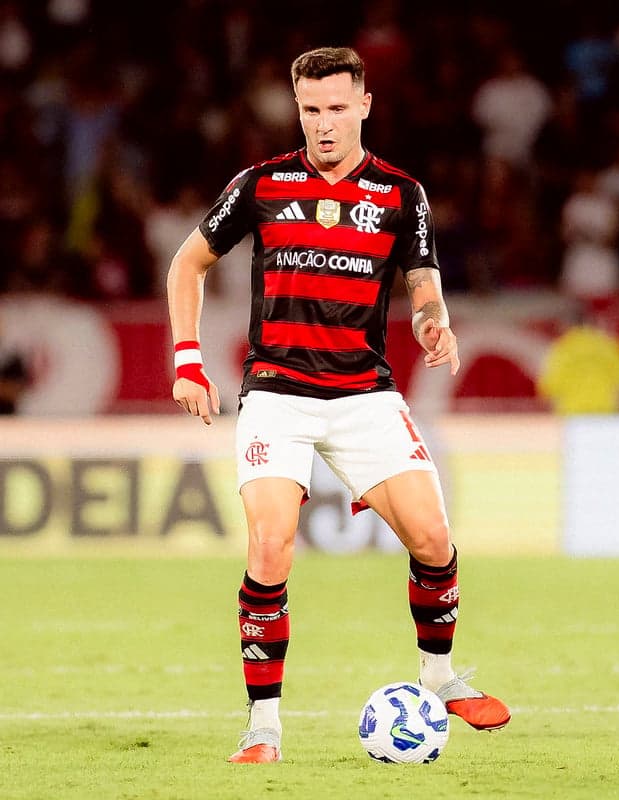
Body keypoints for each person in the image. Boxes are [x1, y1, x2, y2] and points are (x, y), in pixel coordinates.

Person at [167, 46, 510, 764]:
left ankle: (440, 679)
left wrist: (431, 320)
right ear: (299, 108)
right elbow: (187, 263)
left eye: (336, 108)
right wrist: (188, 362)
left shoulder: (399, 193)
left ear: (364, 105)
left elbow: (423, 282)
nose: (324, 124)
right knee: (269, 547)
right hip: (277, 394)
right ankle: (264, 728)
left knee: (433, 541)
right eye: (310, 110)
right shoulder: (263, 183)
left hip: (363, 394)